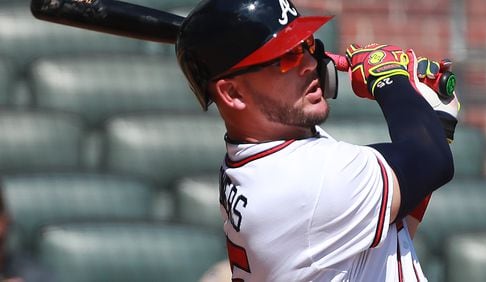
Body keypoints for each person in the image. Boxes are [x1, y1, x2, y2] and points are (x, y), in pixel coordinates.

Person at [176, 0, 459, 280]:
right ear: (233, 94)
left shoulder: (269, 148)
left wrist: (436, 126)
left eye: (307, 46)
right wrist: (390, 79)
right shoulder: (306, 181)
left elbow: (390, 231)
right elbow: (428, 160)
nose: (310, 64)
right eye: (286, 58)